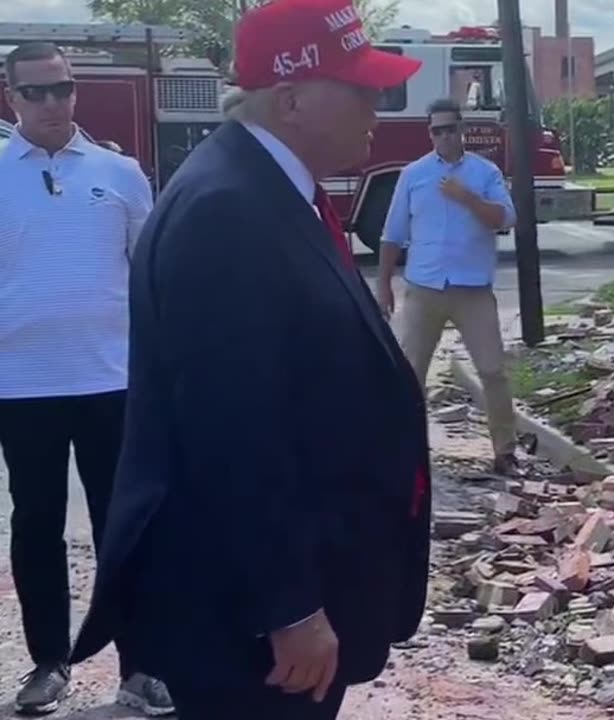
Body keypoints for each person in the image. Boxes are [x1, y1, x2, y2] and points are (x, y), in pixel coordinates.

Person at [67, 2, 432, 719]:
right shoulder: (227, 211)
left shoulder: (267, 191)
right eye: (361, 87)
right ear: (290, 99)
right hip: (243, 619)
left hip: (272, 594)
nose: (377, 105)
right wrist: (289, 607)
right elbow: (233, 435)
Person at [0, 41, 172, 716]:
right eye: (36, 91)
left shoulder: (121, 173)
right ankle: (48, 664)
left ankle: (142, 667)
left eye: (62, 88)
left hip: (111, 382)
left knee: (123, 526)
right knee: (36, 524)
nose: (52, 102)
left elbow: (151, 280)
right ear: (10, 95)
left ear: (77, 91)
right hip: (21, 386)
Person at [376, 97, 521, 476]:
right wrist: (384, 285)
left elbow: (505, 218)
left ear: (462, 130)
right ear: (429, 133)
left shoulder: (484, 173)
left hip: (472, 290)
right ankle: (406, 454)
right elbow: (392, 234)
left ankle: (505, 452)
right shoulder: (413, 174)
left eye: (450, 128)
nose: (443, 136)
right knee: (410, 375)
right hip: (423, 289)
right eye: (436, 130)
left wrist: (467, 198)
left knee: (492, 371)